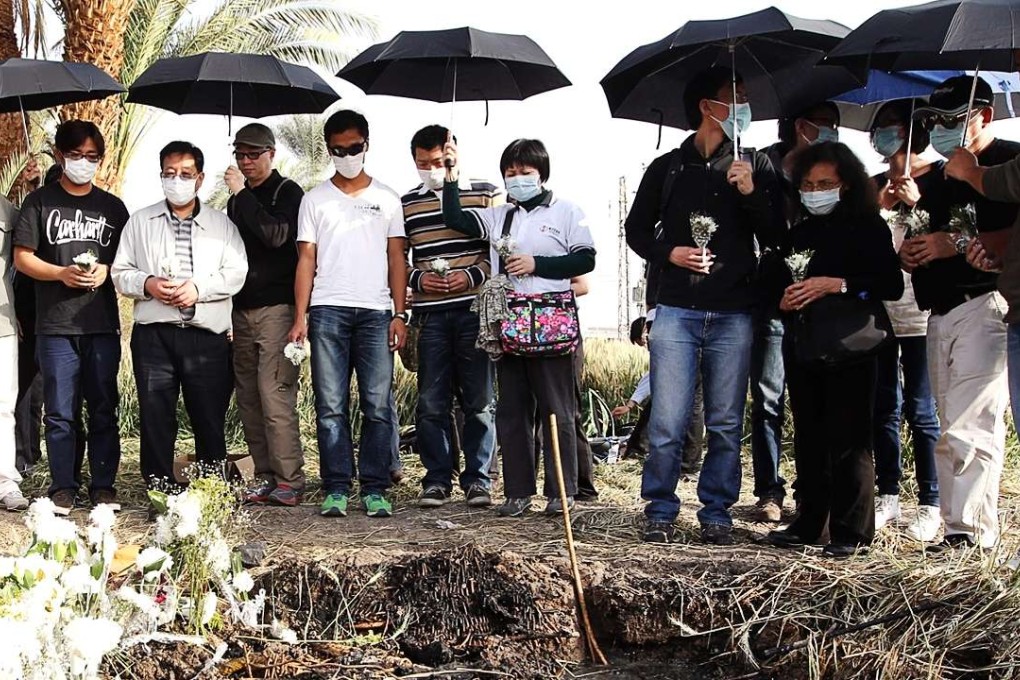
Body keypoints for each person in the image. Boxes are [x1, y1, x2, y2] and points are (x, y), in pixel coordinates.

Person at [625, 67, 784, 545]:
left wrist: (752, 194)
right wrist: (668, 252)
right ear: (706, 107)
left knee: (725, 420)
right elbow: (635, 230)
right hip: (676, 309)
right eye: (734, 97)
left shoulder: (756, 165)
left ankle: (716, 509)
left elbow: (778, 236)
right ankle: (660, 506)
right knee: (669, 419)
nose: (743, 107)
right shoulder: (668, 167)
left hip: (735, 310)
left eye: (746, 97)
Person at [441, 137, 596, 518]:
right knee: (511, 410)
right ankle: (517, 491)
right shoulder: (500, 216)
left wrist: (537, 264)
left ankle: (562, 490)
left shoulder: (567, 212)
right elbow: (457, 219)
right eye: (510, 173)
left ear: (541, 173)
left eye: (525, 172)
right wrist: (451, 177)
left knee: (556, 409)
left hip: (550, 323)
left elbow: (585, 259)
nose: (517, 179)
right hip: (509, 323)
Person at [767, 141, 903, 557]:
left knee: (850, 440)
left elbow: (889, 284)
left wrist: (839, 284)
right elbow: (777, 282)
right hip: (807, 345)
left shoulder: (868, 226)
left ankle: (852, 531)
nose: (815, 190)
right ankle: (810, 521)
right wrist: (783, 299)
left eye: (825, 183)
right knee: (809, 437)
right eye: (808, 184)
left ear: (845, 184)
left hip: (855, 345)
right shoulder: (800, 232)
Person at [905, 76, 1020, 551]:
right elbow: (922, 234)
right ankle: (956, 527)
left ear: (984, 116)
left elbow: (1009, 237)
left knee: (973, 426)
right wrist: (912, 251)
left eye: (953, 121)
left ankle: (973, 534)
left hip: (986, 305)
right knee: (948, 425)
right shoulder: (932, 180)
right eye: (934, 122)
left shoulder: (1007, 162)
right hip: (938, 310)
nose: (941, 130)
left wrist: (952, 243)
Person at [289, 110, 407, 519]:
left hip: (376, 313)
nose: (346, 156)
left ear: (367, 146)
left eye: (353, 148)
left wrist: (400, 312)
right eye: (338, 150)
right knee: (330, 405)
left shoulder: (388, 198)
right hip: (327, 311)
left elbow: (397, 258)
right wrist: (300, 315)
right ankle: (336, 486)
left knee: (376, 403)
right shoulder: (314, 199)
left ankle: (375, 488)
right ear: (329, 150)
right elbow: (306, 259)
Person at [112, 141, 248, 495]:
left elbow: (236, 272)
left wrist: (198, 289)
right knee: (157, 414)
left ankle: (211, 488)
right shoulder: (141, 221)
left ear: (200, 178)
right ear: (161, 176)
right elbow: (120, 272)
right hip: (154, 334)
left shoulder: (221, 224)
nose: (177, 180)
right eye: (170, 174)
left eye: (185, 174)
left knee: (208, 415)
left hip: (206, 335)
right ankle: (159, 486)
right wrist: (148, 283)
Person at [14, 120, 129, 515]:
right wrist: (61, 273)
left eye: (92, 157)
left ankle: (103, 486)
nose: (84, 163)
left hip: (100, 324)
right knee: (60, 411)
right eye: (77, 155)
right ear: (60, 156)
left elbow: (128, 260)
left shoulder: (112, 207)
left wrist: (107, 270)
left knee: (102, 406)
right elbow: (23, 257)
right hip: (55, 325)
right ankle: (63, 485)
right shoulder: (40, 203)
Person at [401, 124, 498, 508]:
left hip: (473, 308)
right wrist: (421, 278)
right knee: (430, 401)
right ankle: (437, 478)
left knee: (479, 399)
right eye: (424, 163)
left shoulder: (486, 194)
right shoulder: (407, 203)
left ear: (453, 154)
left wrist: (469, 276)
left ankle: (479, 479)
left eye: (439, 162)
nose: (432, 169)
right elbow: (398, 261)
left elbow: (498, 254)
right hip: (430, 314)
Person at [753, 102, 841, 522]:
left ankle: (813, 493)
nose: (832, 133)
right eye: (825, 125)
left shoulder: (830, 173)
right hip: (774, 298)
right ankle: (769, 491)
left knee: (814, 402)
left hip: (816, 303)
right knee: (769, 398)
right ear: (800, 126)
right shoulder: (760, 167)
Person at [868, 99, 943, 542]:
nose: (883, 139)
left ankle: (931, 502)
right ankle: (888, 496)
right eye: (880, 131)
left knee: (921, 410)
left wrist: (915, 206)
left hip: (924, 313)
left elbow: (944, 236)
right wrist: (879, 205)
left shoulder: (937, 181)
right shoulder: (876, 186)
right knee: (884, 408)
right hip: (882, 314)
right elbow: (864, 243)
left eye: (892, 130)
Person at [224, 123, 306, 507]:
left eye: (253, 155)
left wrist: (242, 194)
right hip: (239, 310)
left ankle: (290, 478)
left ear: (271, 154)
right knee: (249, 399)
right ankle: (264, 475)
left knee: (275, 396)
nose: (246, 161)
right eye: (240, 155)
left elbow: (276, 236)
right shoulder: (235, 201)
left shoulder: (287, 192)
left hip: (277, 308)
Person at [614, 315, 703, 476]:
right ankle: (688, 465)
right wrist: (631, 404)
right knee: (692, 409)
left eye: (643, 342)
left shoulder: (662, 331)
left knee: (688, 409)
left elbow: (657, 374)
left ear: (646, 331)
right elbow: (653, 375)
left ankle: (641, 451)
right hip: (697, 359)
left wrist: (630, 404)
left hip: (692, 364)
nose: (646, 345)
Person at [1, 193, 28, 511]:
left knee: (3, 407)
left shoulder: (7, 210)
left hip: (2, 322)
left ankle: (5, 482)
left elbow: (24, 259)